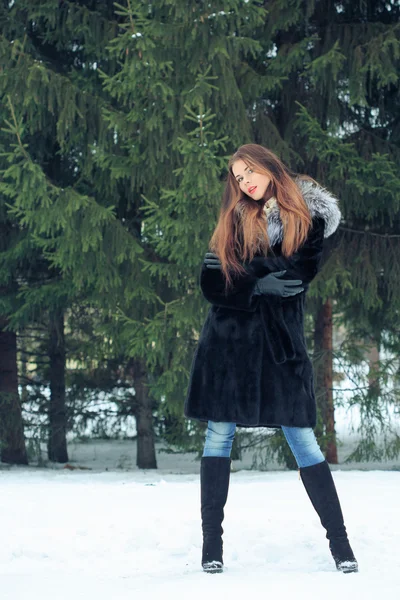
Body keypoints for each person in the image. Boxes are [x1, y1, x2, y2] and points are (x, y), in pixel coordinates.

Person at [184, 144, 358, 575]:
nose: (245, 182)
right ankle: (212, 549)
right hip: (227, 346)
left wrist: (241, 274)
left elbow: (296, 276)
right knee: (218, 437)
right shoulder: (235, 218)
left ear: (268, 165)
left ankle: (342, 546)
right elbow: (210, 283)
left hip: (280, 348)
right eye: (238, 177)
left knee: (304, 441)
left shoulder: (308, 214)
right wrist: (258, 283)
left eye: (249, 172)